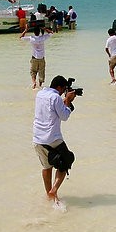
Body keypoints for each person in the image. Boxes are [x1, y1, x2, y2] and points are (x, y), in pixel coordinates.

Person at [32, 74, 78, 202]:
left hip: (37, 138)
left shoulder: (40, 94)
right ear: (59, 87)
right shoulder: (55, 97)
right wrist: (68, 101)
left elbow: (51, 110)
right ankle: (54, 190)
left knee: (47, 167)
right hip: (53, 138)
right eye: (63, 90)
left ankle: (50, 196)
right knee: (67, 161)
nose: (64, 92)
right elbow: (64, 116)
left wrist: (64, 102)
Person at [19, 24, 50, 89]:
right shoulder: (43, 38)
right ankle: (40, 85)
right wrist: (44, 29)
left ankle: (34, 83)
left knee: (33, 71)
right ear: (39, 32)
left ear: (34, 32)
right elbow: (51, 33)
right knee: (41, 71)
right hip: (41, 58)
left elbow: (21, 37)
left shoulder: (31, 38)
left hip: (34, 58)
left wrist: (26, 30)